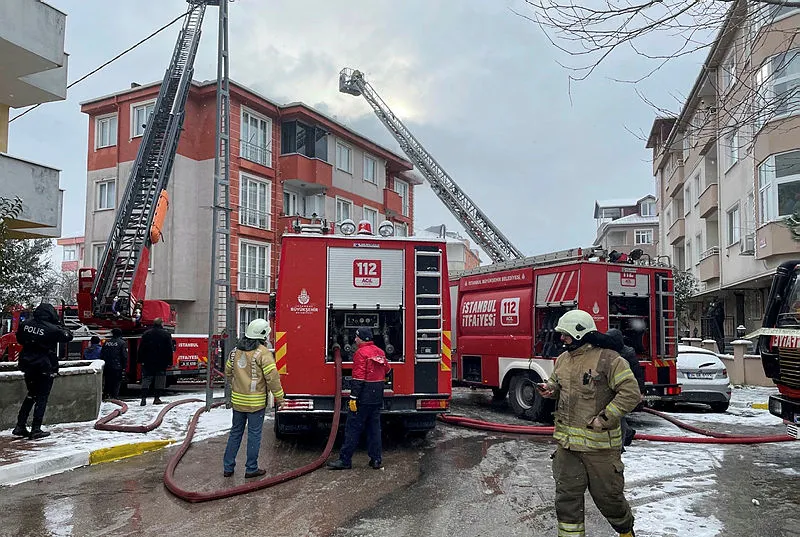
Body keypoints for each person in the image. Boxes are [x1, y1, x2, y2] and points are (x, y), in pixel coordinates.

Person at [537, 309, 641, 537]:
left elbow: (631, 393)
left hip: (600, 449)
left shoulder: (609, 359)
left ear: (579, 333)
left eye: (565, 334)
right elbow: (557, 384)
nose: (562, 339)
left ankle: (625, 532)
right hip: (567, 448)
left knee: (609, 500)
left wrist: (605, 418)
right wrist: (550, 389)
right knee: (566, 500)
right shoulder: (563, 359)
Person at [223, 318, 285, 478]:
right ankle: (251, 468)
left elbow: (228, 371)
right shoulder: (262, 353)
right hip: (255, 403)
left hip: (238, 401)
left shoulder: (235, 351)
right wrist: (280, 397)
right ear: (262, 335)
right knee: (254, 434)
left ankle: (228, 467)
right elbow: (272, 377)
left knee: (235, 432)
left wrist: (236, 385)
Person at [327, 326, 390, 470]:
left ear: (361, 338)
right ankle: (376, 460)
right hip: (377, 396)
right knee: (374, 429)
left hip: (363, 396)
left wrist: (353, 397)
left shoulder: (360, 353)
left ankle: (345, 460)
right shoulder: (380, 351)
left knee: (353, 428)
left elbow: (358, 378)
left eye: (356, 337)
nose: (354, 339)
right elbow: (387, 369)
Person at [12, 303, 73, 439]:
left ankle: (20, 425)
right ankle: (36, 428)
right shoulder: (52, 329)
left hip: (27, 363)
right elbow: (68, 336)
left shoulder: (25, 324)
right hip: (44, 365)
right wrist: (60, 325)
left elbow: (20, 340)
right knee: (42, 397)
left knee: (31, 394)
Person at [585, 328, 645, 449]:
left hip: (619, 391)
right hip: (613, 390)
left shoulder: (622, 355)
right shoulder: (623, 353)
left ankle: (622, 440)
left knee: (618, 416)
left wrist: (639, 392)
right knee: (618, 416)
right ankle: (625, 435)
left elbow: (636, 375)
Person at [137, 317, 174, 406]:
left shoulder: (146, 334)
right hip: (161, 361)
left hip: (148, 361)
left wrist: (140, 359)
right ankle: (156, 398)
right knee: (159, 379)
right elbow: (169, 349)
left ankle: (143, 398)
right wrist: (170, 361)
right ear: (161, 324)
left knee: (146, 379)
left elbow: (141, 348)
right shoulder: (166, 334)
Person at [99, 328, 128, 400]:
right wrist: (124, 365)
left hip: (107, 365)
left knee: (108, 381)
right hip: (117, 366)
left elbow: (102, 354)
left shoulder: (107, 342)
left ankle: (106, 395)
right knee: (116, 382)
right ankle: (114, 396)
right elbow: (124, 355)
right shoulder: (122, 343)